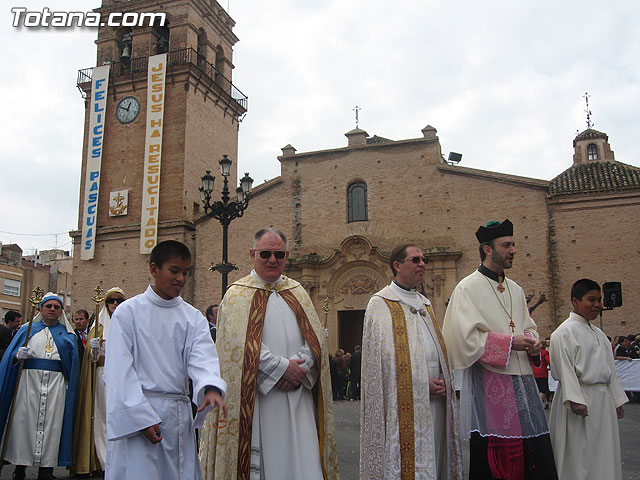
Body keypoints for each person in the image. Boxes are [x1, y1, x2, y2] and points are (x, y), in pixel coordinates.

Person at [199, 228, 339, 480]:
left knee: (303, 462)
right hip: (260, 400)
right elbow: (236, 345)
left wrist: (301, 367)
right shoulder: (237, 294)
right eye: (265, 253)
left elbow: (315, 338)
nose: (272, 259)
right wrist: (283, 368)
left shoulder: (297, 292)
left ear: (287, 256)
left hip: (300, 396)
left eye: (278, 254)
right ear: (252, 254)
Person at [442, 219, 558, 479]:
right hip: (491, 380)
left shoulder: (515, 289)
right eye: (506, 245)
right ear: (487, 249)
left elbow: (528, 325)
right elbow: (460, 339)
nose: (513, 250)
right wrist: (509, 343)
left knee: (531, 450)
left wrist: (532, 341)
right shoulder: (467, 288)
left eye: (513, 244)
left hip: (522, 380)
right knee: (500, 457)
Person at [104, 240, 227, 480]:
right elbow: (119, 370)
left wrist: (210, 386)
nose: (181, 278)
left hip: (177, 415)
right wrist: (139, 418)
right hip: (139, 413)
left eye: (186, 272)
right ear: (154, 269)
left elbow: (202, 356)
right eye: (174, 271)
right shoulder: (128, 313)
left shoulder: (192, 318)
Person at [361, 243, 463, 479]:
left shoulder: (425, 304)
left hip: (436, 399)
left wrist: (446, 379)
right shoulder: (380, 304)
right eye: (415, 260)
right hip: (403, 402)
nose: (422, 264)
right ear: (397, 265)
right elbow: (379, 364)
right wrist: (418, 384)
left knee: (435, 457)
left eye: (423, 259)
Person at [549, 278, 628, 480]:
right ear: (575, 301)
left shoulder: (599, 334)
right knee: (580, 455)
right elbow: (564, 369)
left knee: (603, 453)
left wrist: (617, 399)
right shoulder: (564, 332)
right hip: (579, 400)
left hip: (602, 402)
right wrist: (575, 399)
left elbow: (610, 370)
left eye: (599, 300)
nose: (597, 305)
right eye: (591, 299)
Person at [0, 293, 80, 480]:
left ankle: (46, 469)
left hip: (56, 385)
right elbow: (9, 359)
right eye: (48, 306)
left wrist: (70, 386)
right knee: (23, 423)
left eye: (56, 307)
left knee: (52, 425)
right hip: (29, 383)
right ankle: (20, 467)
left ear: (61, 312)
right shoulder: (27, 330)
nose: (52, 309)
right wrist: (16, 356)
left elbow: (73, 364)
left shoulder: (67, 335)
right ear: (41, 309)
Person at [72, 287, 125, 476]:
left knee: (118, 419)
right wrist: (92, 349)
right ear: (106, 303)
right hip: (102, 377)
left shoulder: (128, 324)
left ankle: (118, 460)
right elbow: (90, 359)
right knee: (101, 418)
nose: (115, 304)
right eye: (112, 301)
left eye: (119, 301)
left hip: (121, 378)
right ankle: (100, 460)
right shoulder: (98, 328)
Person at [532, 339, 552, 409]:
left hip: (534, 373)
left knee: (538, 389)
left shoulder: (533, 352)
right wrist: (551, 367)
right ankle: (540, 404)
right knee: (543, 390)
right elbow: (549, 361)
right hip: (542, 373)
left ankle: (546, 403)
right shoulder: (544, 352)